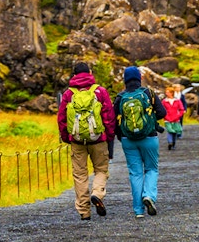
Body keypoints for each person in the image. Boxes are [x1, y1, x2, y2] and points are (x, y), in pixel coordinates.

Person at [57, 61, 115, 221]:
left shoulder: (68, 94)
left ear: (74, 75)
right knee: (101, 170)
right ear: (89, 73)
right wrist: (109, 136)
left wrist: (66, 137)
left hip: (76, 140)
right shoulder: (100, 91)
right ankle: (97, 193)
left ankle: (84, 211)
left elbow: (61, 118)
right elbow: (109, 116)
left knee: (80, 175)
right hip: (98, 139)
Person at [114, 66, 166, 218]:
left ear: (125, 80)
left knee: (135, 173)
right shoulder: (148, 93)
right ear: (140, 78)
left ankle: (138, 211)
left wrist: (119, 135)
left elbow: (113, 120)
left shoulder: (120, 97)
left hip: (128, 140)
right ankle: (149, 196)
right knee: (151, 169)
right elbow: (162, 112)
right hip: (149, 137)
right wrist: (150, 121)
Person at [162, 86, 186, 150]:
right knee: (170, 131)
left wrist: (178, 116)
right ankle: (170, 143)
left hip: (176, 119)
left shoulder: (177, 101)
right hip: (167, 119)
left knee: (175, 132)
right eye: (166, 92)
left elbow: (181, 109)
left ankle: (173, 144)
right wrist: (165, 116)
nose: (166, 93)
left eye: (168, 92)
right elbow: (162, 110)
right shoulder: (164, 101)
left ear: (172, 93)